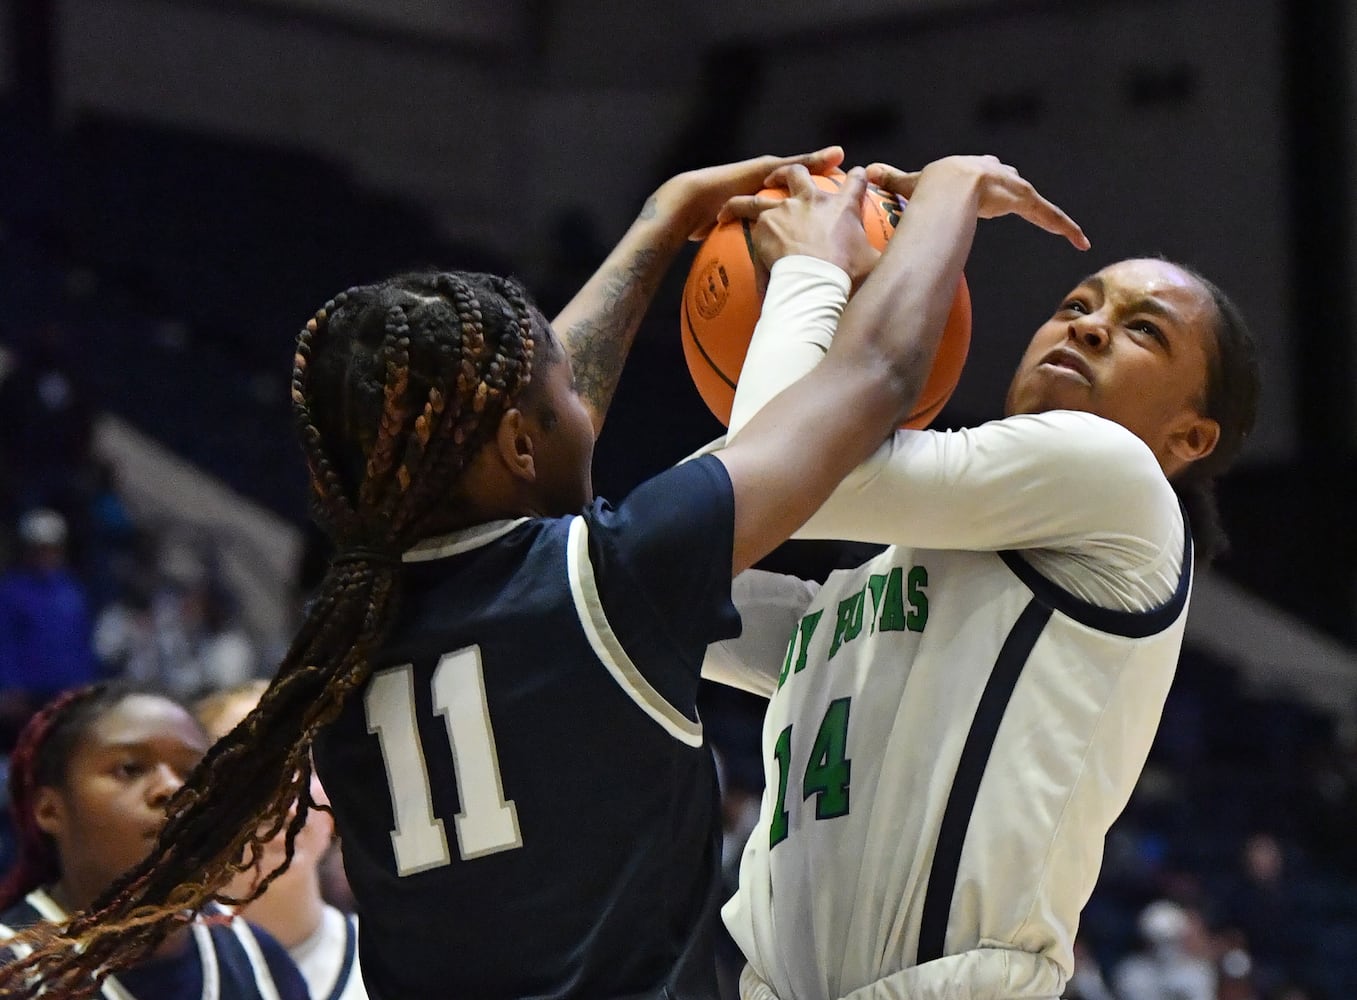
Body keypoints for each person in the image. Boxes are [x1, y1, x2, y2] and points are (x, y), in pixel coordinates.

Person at [0, 149, 1085, 999]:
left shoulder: (344, 640)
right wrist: (943, 195)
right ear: (519, 441)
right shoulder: (611, 579)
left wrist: (663, 224)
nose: (586, 403)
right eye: (565, 391)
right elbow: (878, 372)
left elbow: (498, 433)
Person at [702, 161, 1262, 1000]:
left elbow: (777, 471)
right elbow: (695, 570)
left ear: (1189, 437)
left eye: (1143, 330)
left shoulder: (1117, 478)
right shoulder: (901, 575)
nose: (1089, 327)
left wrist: (815, 269)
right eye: (1075, 306)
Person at [0, 683, 310, 999]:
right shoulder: (11, 969)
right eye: (130, 769)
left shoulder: (259, 959)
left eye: (193, 773)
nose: (172, 789)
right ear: (49, 809)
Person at [195, 680, 367, 1000]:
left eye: (306, 763)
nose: (284, 791)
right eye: (247, 767)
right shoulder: (166, 972)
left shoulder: (395, 957)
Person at [0, 508, 98, 752]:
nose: (47, 555)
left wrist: (86, 685)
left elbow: (81, 641)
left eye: (52, 548)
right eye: (40, 548)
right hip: (27, 696)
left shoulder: (72, 591)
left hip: (66, 694)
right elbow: (5, 642)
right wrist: (9, 686)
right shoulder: (12, 591)